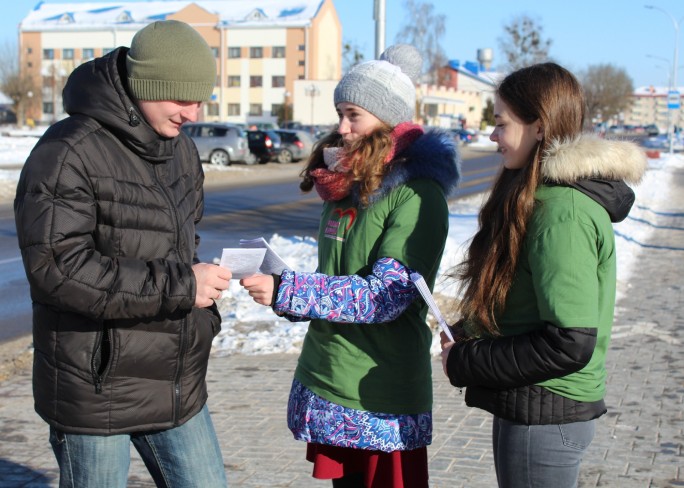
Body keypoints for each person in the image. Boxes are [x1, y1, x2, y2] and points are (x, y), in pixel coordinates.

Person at [14, 20, 231, 487]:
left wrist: (204, 307)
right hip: (95, 388)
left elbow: (179, 246)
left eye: (200, 100)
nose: (193, 114)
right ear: (145, 86)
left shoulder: (182, 152)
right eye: (182, 99)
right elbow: (58, 270)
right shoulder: (66, 151)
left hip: (173, 380)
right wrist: (182, 286)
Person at [241, 45, 460, 488]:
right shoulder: (348, 186)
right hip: (327, 375)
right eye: (339, 112)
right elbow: (336, 279)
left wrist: (289, 290)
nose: (340, 128)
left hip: (379, 389)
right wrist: (285, 293)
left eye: (353, 115)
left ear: (387, 118)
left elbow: (387, 297)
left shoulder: (418, 195)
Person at [440, 62, 647, 487]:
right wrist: (471, 331)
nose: (493, 136)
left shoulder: (562, 212)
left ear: (539, 127)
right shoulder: (541, 198)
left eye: (501, 124)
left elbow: (569, 341)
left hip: (548, 413)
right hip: (532, 404)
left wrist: (466, 361)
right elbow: (527, 300)